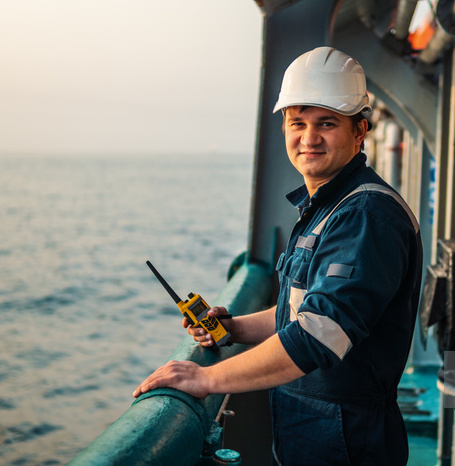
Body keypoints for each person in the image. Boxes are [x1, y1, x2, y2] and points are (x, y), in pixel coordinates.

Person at [133, 46, 423, 465]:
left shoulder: (366, 215)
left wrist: (205, 377)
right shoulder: (327, 207)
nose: (309, 138)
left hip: (348, 442)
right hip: (314, 434)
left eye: (327, 123)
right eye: (297, 123)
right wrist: (233, 328)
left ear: (360, 131)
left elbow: (318, 337)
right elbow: (302, 313)